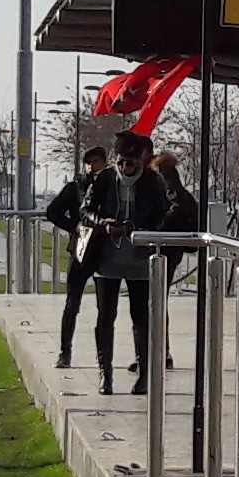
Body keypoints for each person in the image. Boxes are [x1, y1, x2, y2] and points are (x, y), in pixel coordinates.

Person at [81, 132, 155, 394]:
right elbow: (86, 210)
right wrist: (103, 223)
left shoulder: (152, 181)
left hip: (139, 261)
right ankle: (105, 373)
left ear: (141, 161)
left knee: (142, 318)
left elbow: (163, 212)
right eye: (122, 162)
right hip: (107, 259)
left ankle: (145, 373)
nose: (126, 169)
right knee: (105, 316)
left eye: (132, 163)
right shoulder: (104, 178)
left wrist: (139, 229)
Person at [44, 151, 105, 368]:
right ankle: (65, 351)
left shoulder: (110, 187)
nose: (91, 167)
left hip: (104, 252)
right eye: (88, 163)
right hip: (80, 250)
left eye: (95, 162)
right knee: (72, 304)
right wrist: (74, 227)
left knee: (105, 309)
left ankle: (103, 358)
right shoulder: (75, 188)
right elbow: (52, 212)